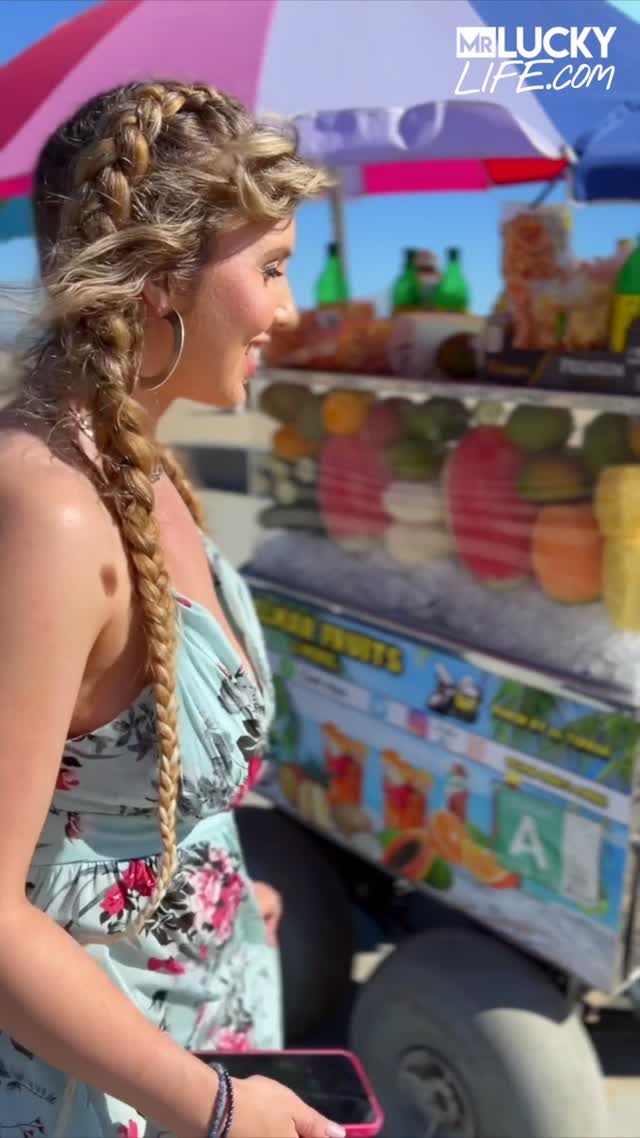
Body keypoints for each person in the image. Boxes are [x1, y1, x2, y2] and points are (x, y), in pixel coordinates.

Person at [0, 80, 344, 1138]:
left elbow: (99, 791)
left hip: (192, 1023)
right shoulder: (51, 512)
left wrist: (210, 872)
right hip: (109, 1092)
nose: (290, 309)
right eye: (271, 267)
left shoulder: (138, 463)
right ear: (160, 278)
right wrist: (218, 1108)